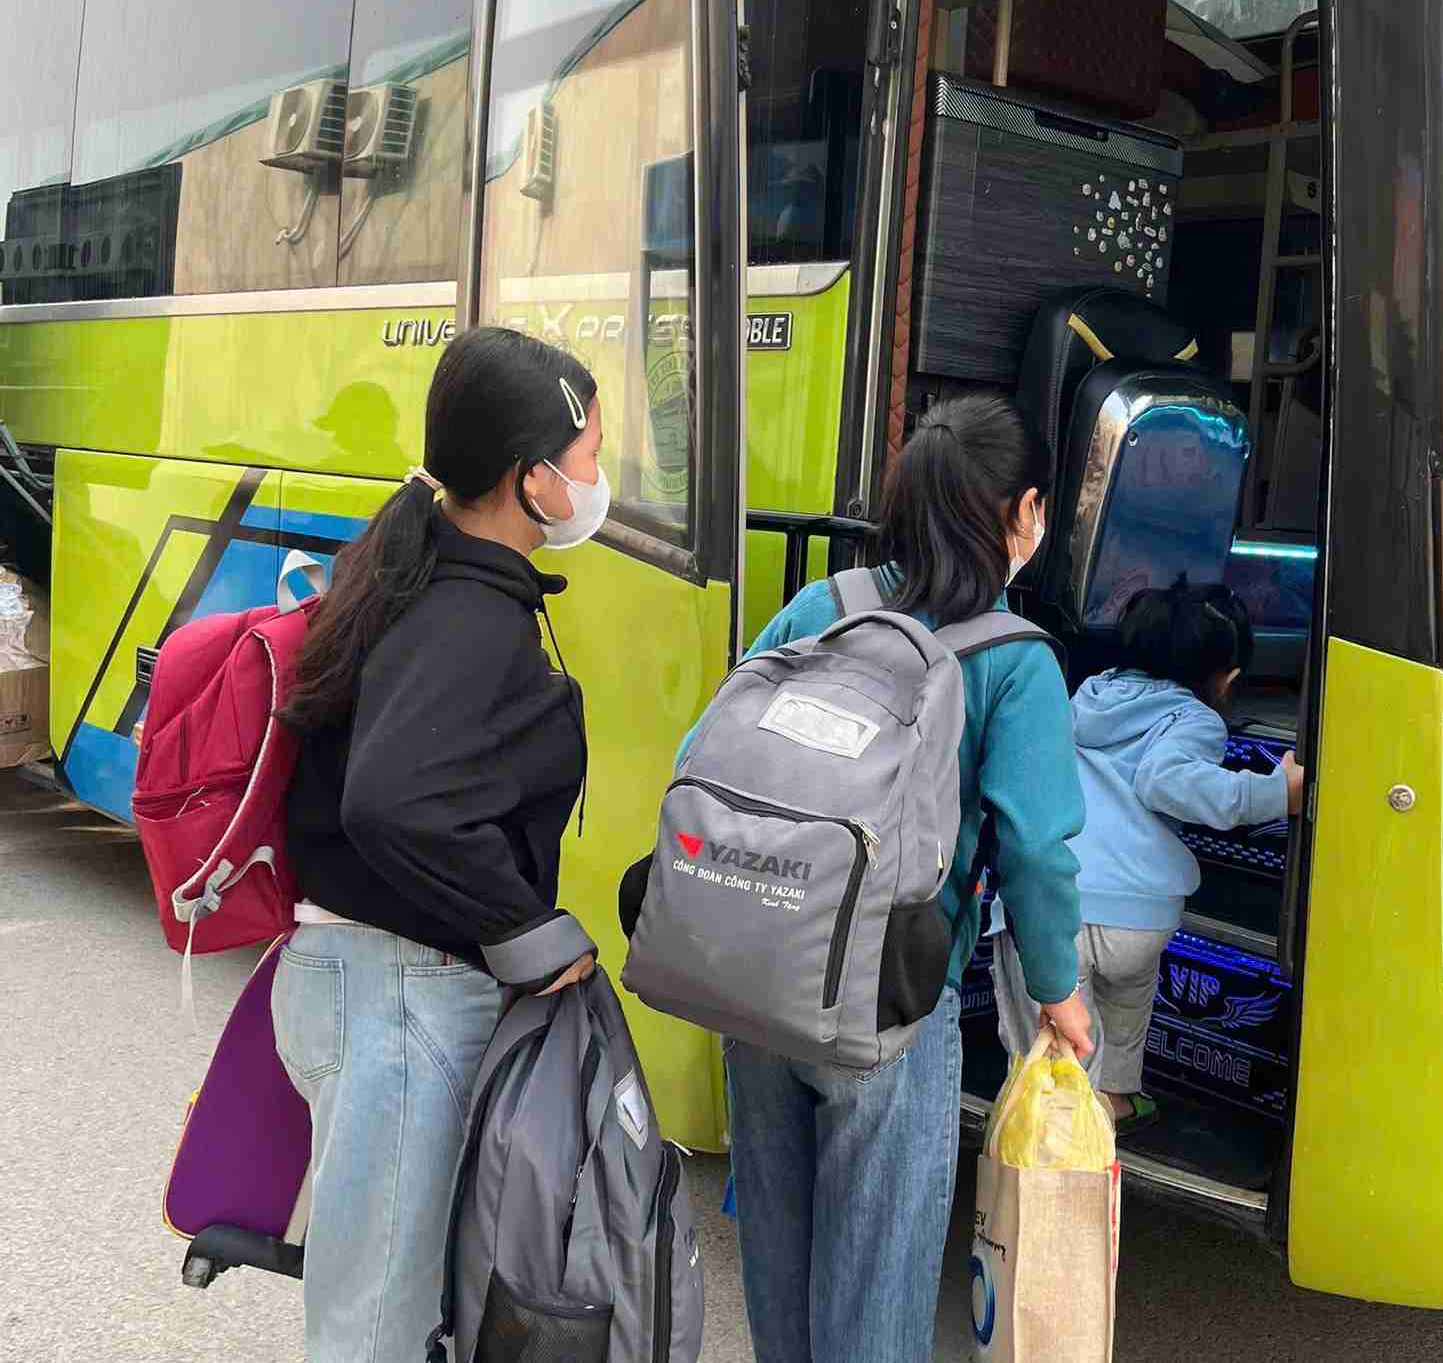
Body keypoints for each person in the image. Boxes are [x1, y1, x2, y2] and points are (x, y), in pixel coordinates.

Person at [673, 394, 1092, 1362]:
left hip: (759, 976)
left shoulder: (823, 607)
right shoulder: (1016, 660)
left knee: (782, 1258)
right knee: (880, 1281)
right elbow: (1033, 848)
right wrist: (1060, 991)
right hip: (893, 1008)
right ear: (1022, 511)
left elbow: (706, 753)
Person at [270, 326, 608, 1362]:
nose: (601, 477)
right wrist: (527, 928)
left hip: (371, 984)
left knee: (394, 1305)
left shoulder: (425, 573)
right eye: (591, 452)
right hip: (402, 996)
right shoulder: (466, 614)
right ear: (532, 480)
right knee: (373, 1327)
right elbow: (392, 798)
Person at [991, 580, 1304, 1134]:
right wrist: (1279, 792)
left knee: (1058, 1044)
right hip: (1142, 919)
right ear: (1226, 678)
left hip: (1057, 905)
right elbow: (1174, 782)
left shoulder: (1082, 698)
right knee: (1126, 1004)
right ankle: (1117, 1095)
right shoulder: (1195, 719)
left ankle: (1066, 1136)